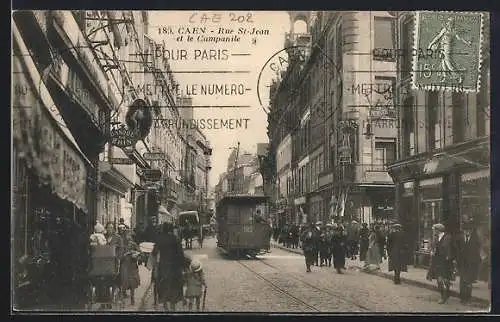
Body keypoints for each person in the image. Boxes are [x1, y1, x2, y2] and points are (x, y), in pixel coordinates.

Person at [152, 222, 186, 311]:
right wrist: (183, 265)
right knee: (174, 286)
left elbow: (154, 252)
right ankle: (173, 306)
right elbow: (180, 253)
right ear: (171, 229)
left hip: (163, 266)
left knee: (163, 285)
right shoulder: (175, 239)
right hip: (174, 266)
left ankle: (165, 305)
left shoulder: (160, 239)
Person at [426, 223, 454, 304]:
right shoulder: (435, 238)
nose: (433, 231)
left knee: (444, 280)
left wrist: (450, 257)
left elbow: (450, 249)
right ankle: (444, 295)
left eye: (434, 230)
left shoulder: (448, 237)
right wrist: (432, 251)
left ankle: (445, 295)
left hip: (446, 262)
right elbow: (433, 247)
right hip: (437, 261)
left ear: (438, 230)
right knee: (439, 279)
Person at [456, 221, 481, 304]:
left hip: (471, 264)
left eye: (469, 230)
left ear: (471, 231)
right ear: (463, 231)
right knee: (462, 281)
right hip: (462, 263)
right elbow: (457, 250)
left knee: (469, 281)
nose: (467, 232)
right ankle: (462, 298)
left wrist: (476, 264)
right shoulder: (460, 238)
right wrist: (457, 261)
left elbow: (477, 252)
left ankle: (468, 297)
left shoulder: (475, 239)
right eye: (465, 230)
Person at [120, 230, 141, 305]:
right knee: (124, 282)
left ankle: (132, 298)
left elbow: (140, 253)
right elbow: (120, 256)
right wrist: (126, 254)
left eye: (130, 236)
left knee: (132, 283)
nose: (128, 237)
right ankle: (122, 300)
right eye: (127, 236)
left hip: (132, 265)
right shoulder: (121, 245)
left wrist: (136, 254)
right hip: (124, 265)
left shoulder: (134, 244)